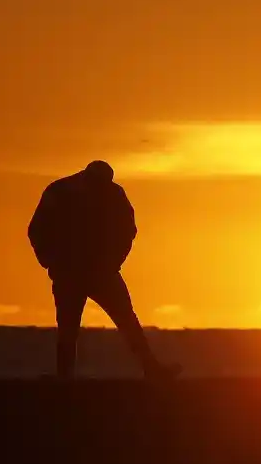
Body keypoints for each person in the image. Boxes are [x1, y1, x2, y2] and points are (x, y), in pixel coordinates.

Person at [28, 160, 178, 379]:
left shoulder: (114, 194)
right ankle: (64, 376)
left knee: (126, 319)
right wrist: (50, 262)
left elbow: (128, 230)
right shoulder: (59, 192)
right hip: (69, 273)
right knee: (68, 326)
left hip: (102, 272)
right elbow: (37, 229)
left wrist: (114, 261)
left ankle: (150, 367)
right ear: (86, 177)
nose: (100, 190)